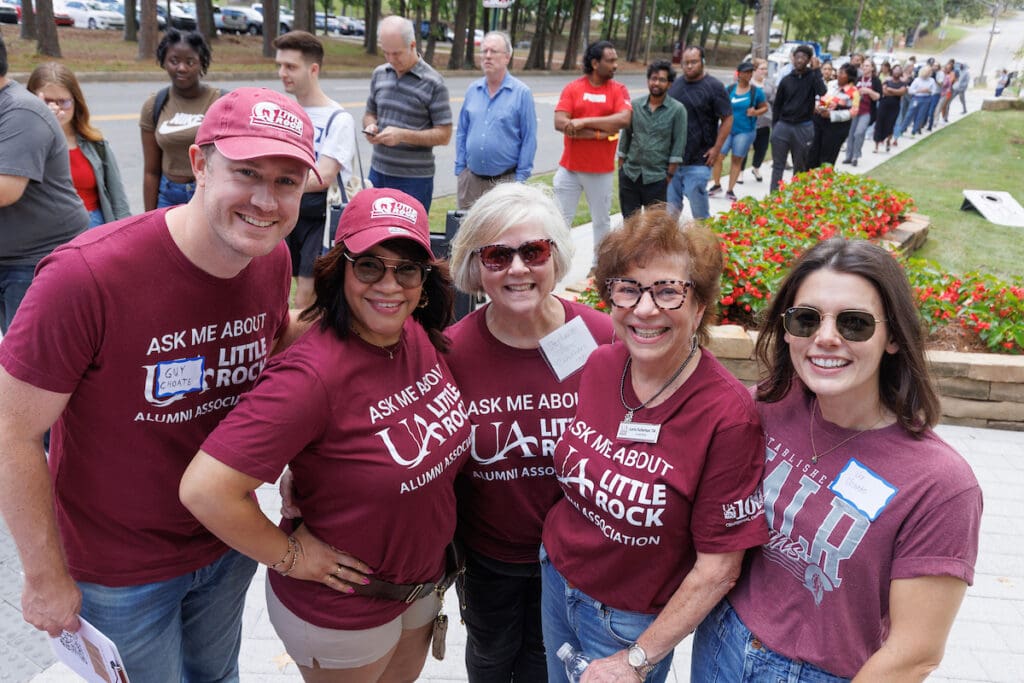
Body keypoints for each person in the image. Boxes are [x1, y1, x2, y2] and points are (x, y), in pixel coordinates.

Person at [0, 87, 319, 681]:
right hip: (120, 569)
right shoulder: (87, 276)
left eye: (286, 181)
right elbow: (11, 432)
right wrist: (44, 575)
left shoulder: (269, 260)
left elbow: (269, 359)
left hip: (228, 543)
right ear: (199, 164)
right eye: (246, 172)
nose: (265, 200)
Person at [181, 187, 469, 682]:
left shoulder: (415, 334)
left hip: (419, 590)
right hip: (343, 612)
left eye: (407, 269)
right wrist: (290, 556)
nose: (390, 285)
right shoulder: (310, 377)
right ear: (341, 269)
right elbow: (205, 490)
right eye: (370, 266)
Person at [691, 238, 982, 682]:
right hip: (722, 643)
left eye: (855, 323)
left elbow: (914, 653)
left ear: (893, 338)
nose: (826, 338)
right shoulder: (767, 407)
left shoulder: (940, 485)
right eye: (806, 319)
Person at [539, 208, 768, 683]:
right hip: (557, 581)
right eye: (628, 288)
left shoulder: (726, 416)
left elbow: (719, 570)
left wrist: (636, 660)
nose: (645, 309)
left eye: (668, 291)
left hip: (627, 624)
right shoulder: (602, 365)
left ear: (699, 305)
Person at [446, 182, 615, 682]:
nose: (518, 268)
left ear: (556, 256)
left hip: (575, 563)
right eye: (498, 255)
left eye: (533, 251)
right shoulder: (451, 352)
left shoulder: (601, 339)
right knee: (491, 657)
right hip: (488, 559)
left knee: (550, 665)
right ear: (476, 266)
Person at [0, 33, 88, 334]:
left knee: (27, 357)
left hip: (35, 259)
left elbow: (6, 189)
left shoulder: (20, 112)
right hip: (10, 254)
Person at [274, 30, 355, 310]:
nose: (283, 73)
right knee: (284, 280)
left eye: (291, 67)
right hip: (287, 209)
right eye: (280, 66)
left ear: (314, 69)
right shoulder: (285, 111)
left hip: (319, 217)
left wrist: (276, 182)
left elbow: (325, 175)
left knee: (307, 293)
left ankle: (297, 352)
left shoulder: (338, 118)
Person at [553, 40, 631, 267]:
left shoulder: (618, 90)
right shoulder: (574, 88)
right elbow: (560, 121)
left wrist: (583, 122)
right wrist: (600, 132)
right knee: (558, 221)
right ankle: (555, 265)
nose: (615, 65)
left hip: (600, 171)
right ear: (595, 63)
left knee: (601, 222)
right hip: (569, 168)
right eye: (611, 60)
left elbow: (623, 120)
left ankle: (599, 267)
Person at [363, 15, 452, 211]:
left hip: (414, 179)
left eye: (397, 53)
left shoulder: (433, 83)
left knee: (408, 240)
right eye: (386, 53)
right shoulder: (379, 74)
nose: (391, 59)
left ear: (412, 45)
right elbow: (370, 113)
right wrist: (370, 126)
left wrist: (403, 135)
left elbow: (444, 135)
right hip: (377, 172)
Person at [28, 62, 130, 228]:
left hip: (92, 226)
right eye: (46, 101)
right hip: (46, 232)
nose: (56, 108)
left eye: (64, 102)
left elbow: (118, 200)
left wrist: (125, 235)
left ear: (76, 102)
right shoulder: (23, 141)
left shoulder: (96, 145)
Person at [140, 28, 222, 211]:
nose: (182, 68)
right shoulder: (154, 105)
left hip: (208, 193)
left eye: (190, 61)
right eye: (174, 61)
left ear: (202, 63)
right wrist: (149, 216)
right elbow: (151, 171)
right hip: (168, 195)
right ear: (164, 62)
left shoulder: (220, 102)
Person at [454, 30, 537, 210]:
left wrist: (519, 180)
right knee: (466, 235)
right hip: (471, 182)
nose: (487, 56)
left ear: (507, 57)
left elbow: (529, 139)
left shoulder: (521, 93)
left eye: (493, 51)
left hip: (505, 183)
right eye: (484, 51)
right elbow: (462, 131)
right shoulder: (472, 90)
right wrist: (460, 170)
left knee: (500, 236)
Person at [666, 46, 732, 219]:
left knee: (699, 214)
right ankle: (668, 244)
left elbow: (727, 118)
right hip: (673, 159)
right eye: (685, 63)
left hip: (700, 159)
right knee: (669, 213)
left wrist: (717, 149)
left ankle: (705, 243)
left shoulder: (714, 87)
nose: (689, 66)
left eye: (693, 62)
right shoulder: (675, 86)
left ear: (702, 61)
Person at [616, 59, 686, 218]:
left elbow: (678, 145)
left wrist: (668, 176)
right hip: (630, 175)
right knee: (630, 226)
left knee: (653, 228)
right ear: (648, 81)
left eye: (662, 80)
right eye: (653, 79)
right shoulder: (635, 105)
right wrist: (622, 170)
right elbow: (626, 136)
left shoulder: (677, 110)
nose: (656, 83)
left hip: (657, 178)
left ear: (669, 84)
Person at [769, 45, 825, 192]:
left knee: (799, 165)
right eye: (797, 57)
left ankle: (796, 196)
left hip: (803, 127)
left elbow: (822, 91)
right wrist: (775, 127)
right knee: (778, 165)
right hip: (783, 126)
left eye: (804, 57)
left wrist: (817, 69)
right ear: (793, 58)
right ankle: (774, 196)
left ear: (809, 60)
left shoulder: (813, 78)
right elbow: (777, 105)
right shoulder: (786, 80)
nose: (800, 60)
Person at [709, 61, 766, 202]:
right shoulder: (729, 90)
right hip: (726, 130)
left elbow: (765, 108)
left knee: (736, 159)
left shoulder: (755, 92)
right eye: (745, 72)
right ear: (738, 73)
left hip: (745, 131)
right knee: (718, 157)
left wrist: (755, 112)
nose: (748, 75)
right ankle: (716, 185)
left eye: (750, 72)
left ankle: (730, 190)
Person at [811, 63, 860, 169]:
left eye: (842, 73)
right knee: (813, 153)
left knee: (827, 157)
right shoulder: (831, 84)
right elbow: (822, 97)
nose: (838, 74)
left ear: (849, 77)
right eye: (839, 71)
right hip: (820, 121)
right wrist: (817, 107)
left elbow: (853, 112)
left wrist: (832, 115)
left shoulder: (854, 92)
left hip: (836, 128)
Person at [842, 59, 880, 167]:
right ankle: (848, 156)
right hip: (855, 109)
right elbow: (850, 91)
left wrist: (868, 91)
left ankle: (856, 156)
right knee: (850, 133)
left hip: (866, 111)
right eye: (864, 66)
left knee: (859, 132)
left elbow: (878, 96)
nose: (865, 68)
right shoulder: (858, 79)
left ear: (872, 68)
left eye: (868, 66)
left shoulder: (875, 81)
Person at [744, 57, 773, 183]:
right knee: (744, 148)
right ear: (754, 70)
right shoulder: (748, 84)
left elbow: (774, 101)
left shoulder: (769, 84)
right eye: (761, 69)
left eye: (766, 69)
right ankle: (740, 172)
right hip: (748, 122)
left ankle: (756, 168)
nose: (764, 71)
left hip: (765, 121)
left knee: (762, 148)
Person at [873, 64, 906, 153]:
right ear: (892, 70)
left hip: (894, 106)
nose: (897, 72)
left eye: (899, 70)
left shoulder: (902, 83)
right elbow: (884, 91)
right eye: (896, 69)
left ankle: (888, 140)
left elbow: (902, 92)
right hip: (884, 104)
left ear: (901, 72)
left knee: (890, 124)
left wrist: (891, 90)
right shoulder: (887, 80)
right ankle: (876, 145)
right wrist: (896, 92)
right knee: (879, 123)